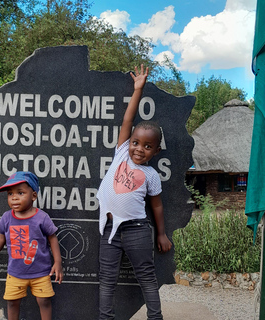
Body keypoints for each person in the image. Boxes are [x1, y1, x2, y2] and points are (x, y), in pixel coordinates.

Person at [97, 65, 172, 320]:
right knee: (107, 280)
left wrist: (160, 233)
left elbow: (157, 206)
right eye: (136, 143)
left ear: (155, 151)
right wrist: (138, 89)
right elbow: (128, 120)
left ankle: (155, 317)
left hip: (137, 230)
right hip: (109, 230)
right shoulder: (120, 154)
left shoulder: (151, 175)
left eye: (147, 146)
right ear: (129, 143)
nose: (139, 149)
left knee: (147, 278)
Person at [0, 171, 63, 320]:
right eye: (10, 194)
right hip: (15, 273)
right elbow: (1, 238)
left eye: (20, 193)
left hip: (41, 272)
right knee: (12, 302)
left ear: (33, 195)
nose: (14, 198)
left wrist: (58, 262)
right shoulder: (7, 217)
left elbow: (52, 238)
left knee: (44, 301)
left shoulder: (41, 217)